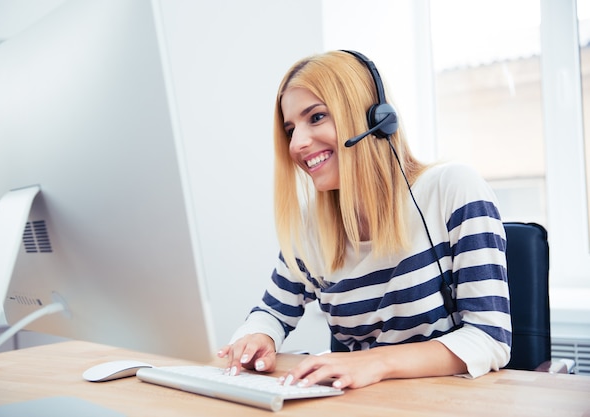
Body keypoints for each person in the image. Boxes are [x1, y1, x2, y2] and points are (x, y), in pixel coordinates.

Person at [217, 50, 511, 390]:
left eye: (316, 117)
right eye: (290, 129)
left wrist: (375, 362)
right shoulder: (311, 227)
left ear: (374, 118)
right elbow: (271, 312)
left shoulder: (452, 190)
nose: (297, 143)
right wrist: (257, 337)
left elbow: (490, 338)